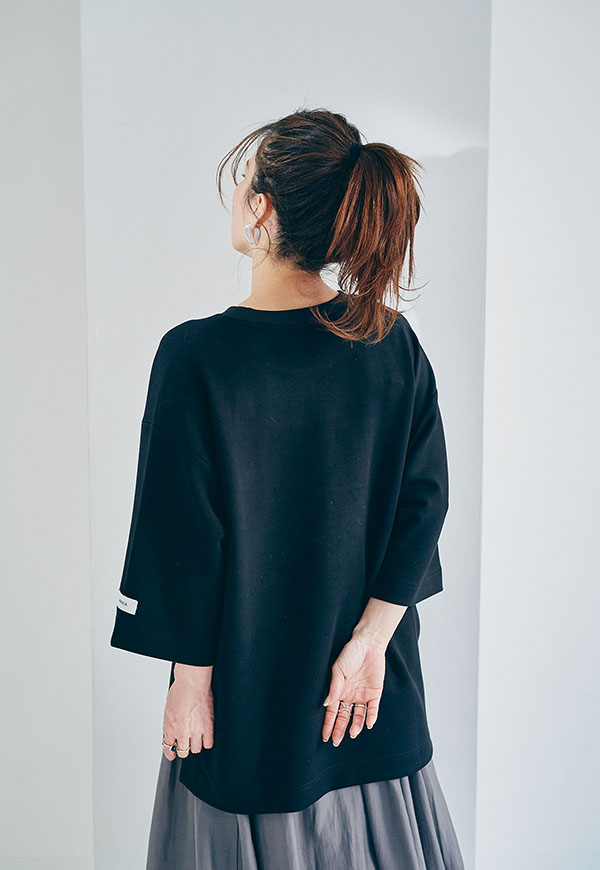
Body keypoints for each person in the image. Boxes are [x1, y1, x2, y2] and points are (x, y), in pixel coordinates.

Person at [110, 108, 465, 869]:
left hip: (248, 706)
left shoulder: (197, 357)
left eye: (244, 179)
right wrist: (369, 644)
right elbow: (425, 502)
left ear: (261, 209)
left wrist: (189, 683)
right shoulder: (389, 340)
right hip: (366, 701)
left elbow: (183, 538)